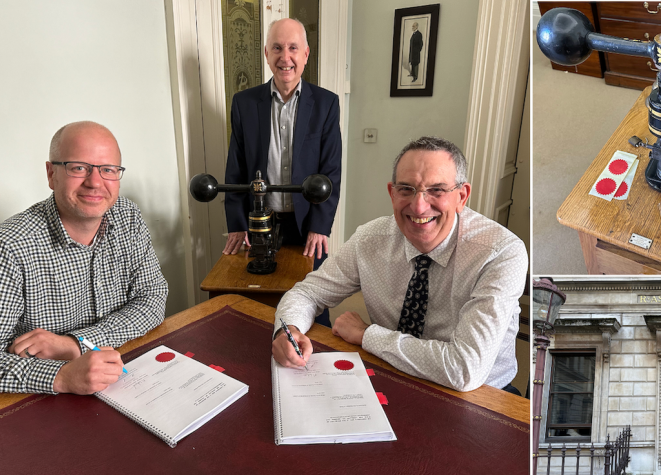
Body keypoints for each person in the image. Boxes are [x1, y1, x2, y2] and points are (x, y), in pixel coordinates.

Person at [271, 137, 528, 393]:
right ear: (392, 193)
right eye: (406, 189)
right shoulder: (369, 239)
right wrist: (288, 330)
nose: (419, 206)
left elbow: (464, 370)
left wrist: (366, 334)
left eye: (436, 190)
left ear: (462, 196)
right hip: (390, 371)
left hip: (481, 396)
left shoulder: (502, 253)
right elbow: (308, 293)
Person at [0, 121, 168, 395]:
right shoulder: (8, 247)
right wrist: (62, 376)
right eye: (78, 168)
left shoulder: (128, 217)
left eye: (108, 169)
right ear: (51, 174)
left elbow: (153, 298)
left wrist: (75, 344)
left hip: (123, 377)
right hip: (42, 400)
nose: (95, 182)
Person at [223, 18, 341, 328]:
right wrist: (236, 223)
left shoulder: (327, 104)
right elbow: (235, 168)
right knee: (256, 303)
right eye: (277, 48)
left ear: (306, 54)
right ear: (266, 53)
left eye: (292, 48)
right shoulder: (244, 103)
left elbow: (331, 171)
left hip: (308, 224)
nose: (284, 57)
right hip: (259, 221)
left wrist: (320, 227)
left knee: (314, 304)